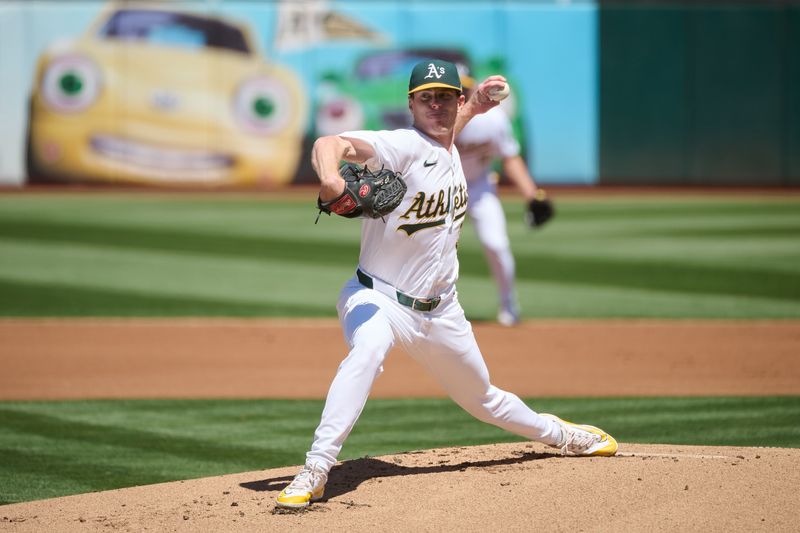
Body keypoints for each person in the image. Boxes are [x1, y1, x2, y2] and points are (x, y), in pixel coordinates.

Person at [276, 59, 617, 509]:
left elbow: (458, 119)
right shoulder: (399, 146)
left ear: (455, 101)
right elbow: (329, 141)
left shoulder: (453, 139)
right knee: (369, 350)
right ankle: (316, 468)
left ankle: (562, 435)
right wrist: (330, 177)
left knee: (485, 400)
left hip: (441, 313)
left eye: (443, 97)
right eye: (424, 98)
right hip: (377, 297)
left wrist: (476, 103)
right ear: (410, 105)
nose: (434, 105)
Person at [455, 74, 544, 326]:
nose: (460, 96)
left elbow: (509, 157)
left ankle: (509, 305)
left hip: (479, 186)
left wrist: (532, 194)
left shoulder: (493, 121)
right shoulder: (433, 121)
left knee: (496, 244)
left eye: (465, 90)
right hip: (444, 189)